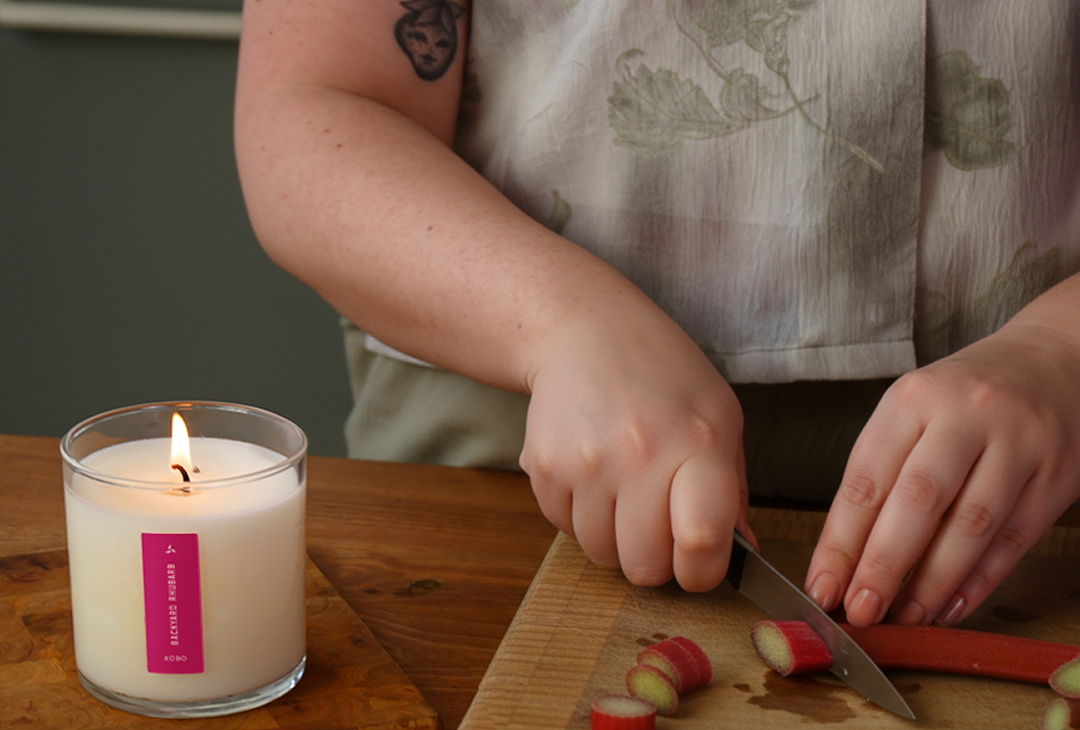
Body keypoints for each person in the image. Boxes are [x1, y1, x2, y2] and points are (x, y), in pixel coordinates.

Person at [233, 0, 1080, 628]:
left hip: (1042, 473)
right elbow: (316, 102)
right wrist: (562, 324)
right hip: (511, 446)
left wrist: (1061, 349)